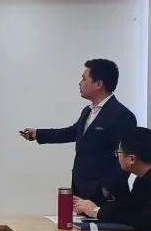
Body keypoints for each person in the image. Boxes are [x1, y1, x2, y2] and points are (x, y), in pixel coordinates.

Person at [22, 59, 137, 205]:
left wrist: (106, 190)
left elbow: (126, 157)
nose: (80, 83)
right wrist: (38, 134)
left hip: (105, 196)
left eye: (84, 79)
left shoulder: (121, 115)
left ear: (98, 84)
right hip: (81, 189)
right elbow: (72, 132)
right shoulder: (87, 111)